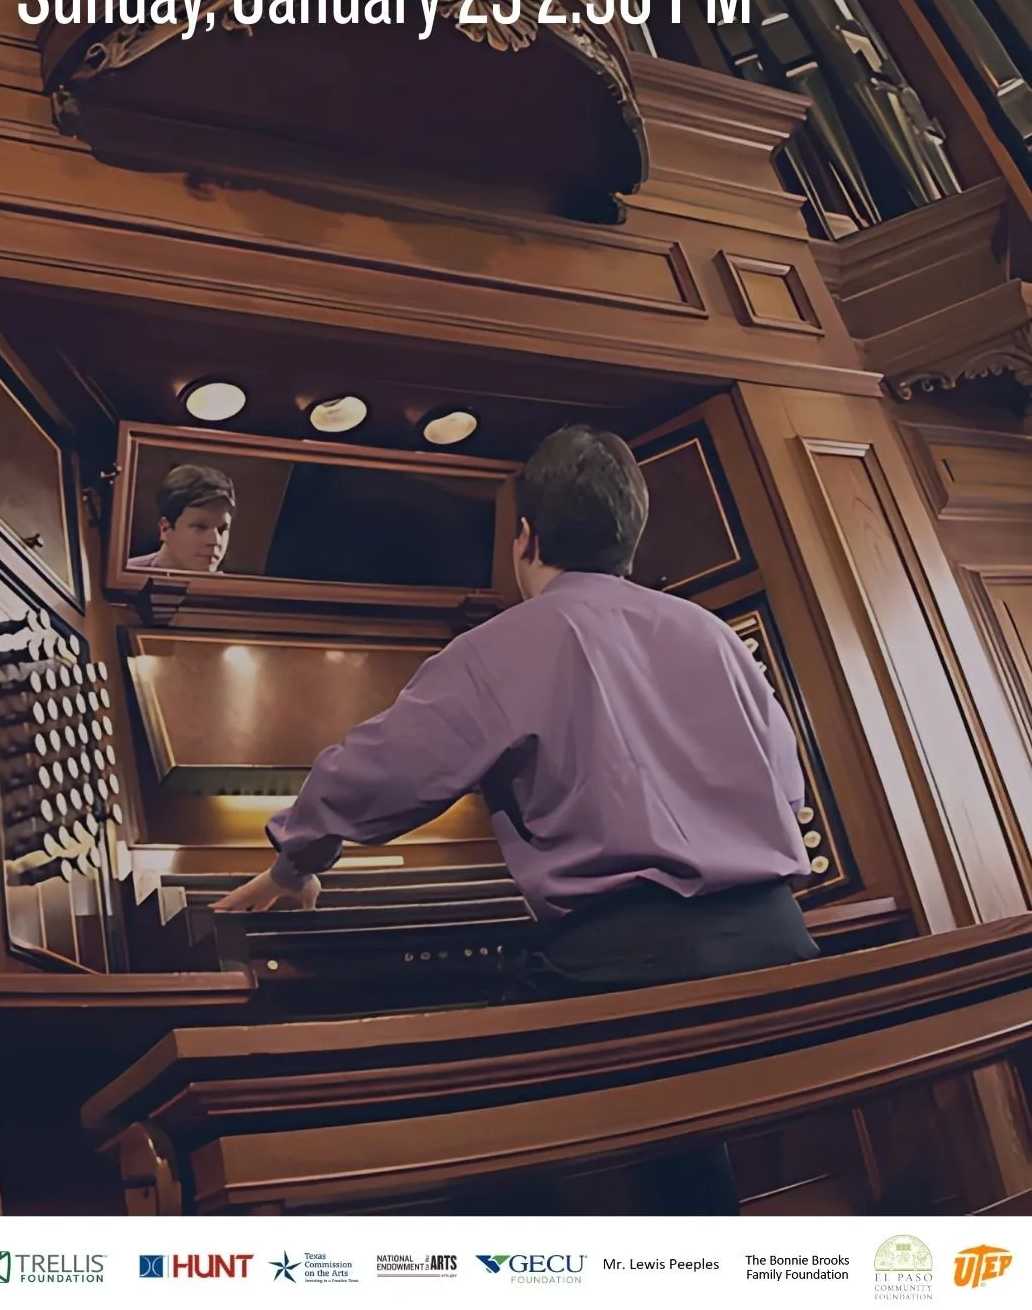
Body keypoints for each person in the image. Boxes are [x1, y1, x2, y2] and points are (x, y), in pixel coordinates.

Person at [214, 423, 818, 1212]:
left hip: (631, 971)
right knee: (677, 1129)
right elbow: (790, 790)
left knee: (459, 1120)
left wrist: (296, 859)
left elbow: (385, 771)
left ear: (525, 538)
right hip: (779, 953)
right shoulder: (716, 636)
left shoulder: (509, 642)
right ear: (629, 538)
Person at [128, 463, 235, 574]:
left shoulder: (233, 589)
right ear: (165, 528)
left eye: (222, 529)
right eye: (200, 527)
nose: (215, 541)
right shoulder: (122, 580)